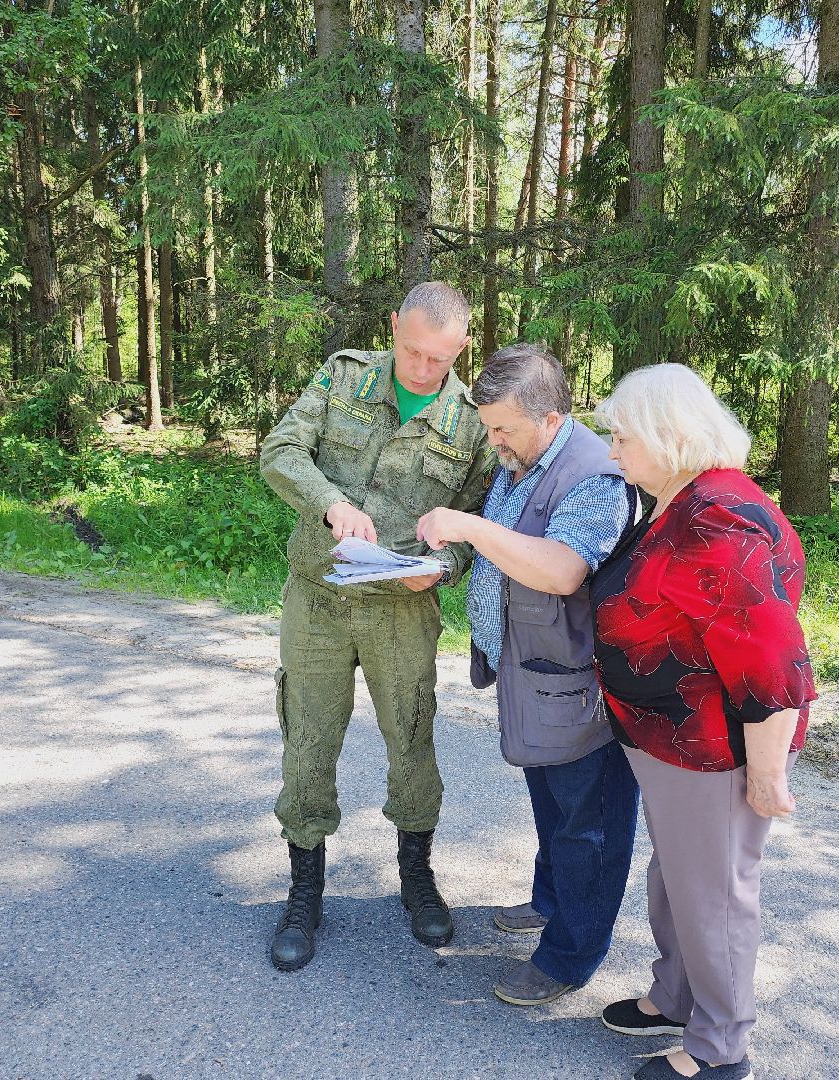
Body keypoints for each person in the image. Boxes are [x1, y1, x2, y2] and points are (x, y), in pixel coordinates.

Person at [258, 281, 495, 973]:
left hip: (402, 611)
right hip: (320, 599)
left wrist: (446, 565)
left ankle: (416, 877)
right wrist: (331, 504)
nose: (423, 369)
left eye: (438, 358)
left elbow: (484, 521)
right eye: (411, 351)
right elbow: (280, 451)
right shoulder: (343, 377)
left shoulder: (473, 422)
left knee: (412, 740)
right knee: (307, 741)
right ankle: (305, 891)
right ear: (392, 327)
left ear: (461, 348)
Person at [588, 364, 815, 1080]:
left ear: (671, 436)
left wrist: (768, 772)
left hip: (713, 748)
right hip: (670, 741)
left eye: (622, 438)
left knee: (715, 893)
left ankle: (721, 1049)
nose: (613, 452)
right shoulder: (681, 500)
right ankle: (677, 995)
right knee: (680, 879)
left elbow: (773, 659)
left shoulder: (717, 515)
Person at [416, 343, 639, 1007]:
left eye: (502, 428)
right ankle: (551, 901)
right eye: (488, 427)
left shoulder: (594, 474)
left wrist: (467, 527)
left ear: (548, 418)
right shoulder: (525, 455)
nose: (493, 441)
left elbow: (560, 568)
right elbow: (506, 550)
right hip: (534, 674)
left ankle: (570, 955)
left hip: (578, 687)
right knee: (552, 804)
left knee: (587, 823)